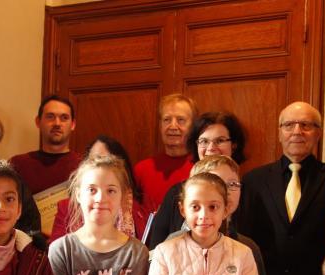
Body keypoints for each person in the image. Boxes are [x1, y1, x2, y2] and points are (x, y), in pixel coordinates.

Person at [238, 101, 325, 275]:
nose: (297, 131)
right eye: (289, 125)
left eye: (306, 125)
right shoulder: (254, 181)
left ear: (318, 133)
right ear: (279, 132)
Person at [148, 111, 247, 248]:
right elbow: (155, 247)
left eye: (220, 140)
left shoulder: (247, 189)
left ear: (234, 145)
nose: (211, 148)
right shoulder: (178, 191)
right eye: (204, 141)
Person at [49, 135, 139, 242]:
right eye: (96, 159)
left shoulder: (142, 205)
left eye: (108, 161)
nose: (101, 167)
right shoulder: (66, 208)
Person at [133, 93, 198, 233]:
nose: (172, 126)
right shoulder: (141, 169)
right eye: (167, 120)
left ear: (192, 126)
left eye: (181, 120)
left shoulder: (200, 169)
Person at [10, 95, 83, 196]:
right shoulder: (18, 164)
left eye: (64, 118)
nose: (57, 123)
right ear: (38, 122)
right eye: (50, 117)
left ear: (73, 124)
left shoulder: (84, 166)